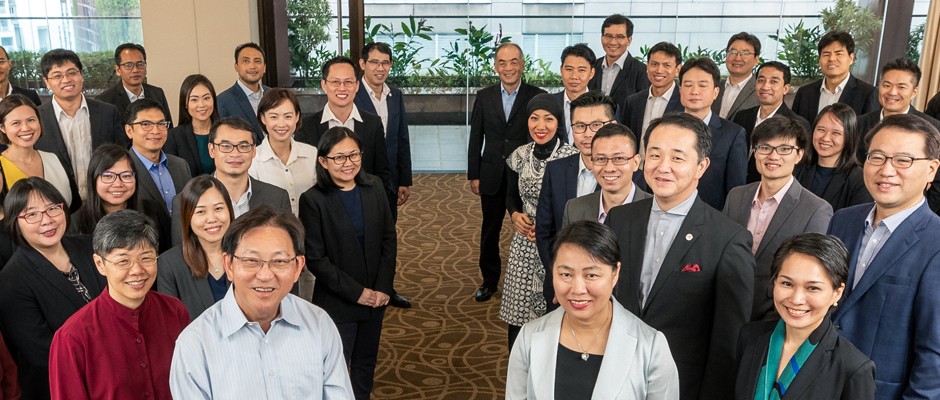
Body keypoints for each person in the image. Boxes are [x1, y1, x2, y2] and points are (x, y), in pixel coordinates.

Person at [606, 113, 754, 400]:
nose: (663, 167)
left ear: (701, 166)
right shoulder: (620, 219)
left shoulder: (728, 239)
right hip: (617, 374)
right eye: (655, 155)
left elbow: (728, 340)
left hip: (682, 384)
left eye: (677, 157)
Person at [170, 206, 354, 399]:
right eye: (251, 260)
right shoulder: (195, 344)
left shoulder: (319, 324)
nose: (265, 275)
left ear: (298, 267)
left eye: (279, 261)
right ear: (229, 265)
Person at [827, 114, 940, 399]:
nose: (886, 170)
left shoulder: (936, 242)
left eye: (903, 160)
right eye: (876, 157)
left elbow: (934, 355)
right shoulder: (842, 220)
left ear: (931, 170)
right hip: (822, 381)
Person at [507, 221, 679, 400]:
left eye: (591, 275)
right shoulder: (529, 336)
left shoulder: (651, 348)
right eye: (566, 274)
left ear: (615, 274)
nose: (578, 289)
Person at [48, 210, 189, 400]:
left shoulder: (175, 311)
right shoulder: (72, 337)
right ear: (100, 264)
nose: (137, 270)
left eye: (146, 258)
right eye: (123, 261)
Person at [299, 127, 395, 400]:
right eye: (339, 157)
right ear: (323, 161)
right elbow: (316, 259)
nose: (348, 163)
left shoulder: (374, 186)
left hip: (376, 298)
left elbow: (389, 239)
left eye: (354, 155)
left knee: (366, 364)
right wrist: (358, 293)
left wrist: (383, 288)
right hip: (338, 302)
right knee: (335, 368)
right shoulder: (313, 200)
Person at [0, 177, 106, 399]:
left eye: (52, 208)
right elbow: (42, 354)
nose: (46, 220)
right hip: (61, 387)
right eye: (32, 214)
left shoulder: (90, 246)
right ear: (15, 222)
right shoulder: (11, 281)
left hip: (115, 373)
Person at [735, 233, 875, 399]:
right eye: (787, 283)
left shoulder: (853, 368)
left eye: (812, 288)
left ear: (837, 293)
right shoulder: (750, 336)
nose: (796, 299)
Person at [722, 117, 832, 320]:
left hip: (775, 316)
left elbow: (808, 275)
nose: (773, 156)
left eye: (784, 149)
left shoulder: (816, 210)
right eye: (765, 147)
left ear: (799, 154)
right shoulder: (735, 196)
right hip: (726, 307)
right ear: (755, 152)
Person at [467, 43, 546, 302]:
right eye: (502, 62)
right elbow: (476, 136)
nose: (508, 67)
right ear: (495, 66)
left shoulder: (537, 96)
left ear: (522, 65)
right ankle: (489, 280)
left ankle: (532, 278)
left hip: (526, 174)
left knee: (529, 227)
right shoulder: (484, 96)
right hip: (491, 173)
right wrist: (474, 173)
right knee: (490, 230)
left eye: (513, 62)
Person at [502, 94, 580, 347]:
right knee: (518, 314)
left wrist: (551, 230)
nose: (540, 126)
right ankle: (518, 363)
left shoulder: (571, 157)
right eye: (534, 118)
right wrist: (515, 214)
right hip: (524, 245)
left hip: (559, 246)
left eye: (548, 119)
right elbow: (511, 195)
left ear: (558, 122)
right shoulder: (519, 155)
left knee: (554, 311)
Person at [535, 91, 614, 311]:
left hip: (608, 292)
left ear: (612, 125)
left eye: (596, 125)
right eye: (580, 126)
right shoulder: (556, 170)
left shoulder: (632, 177)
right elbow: (545, 231)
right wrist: (561, 277)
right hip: (561, 288)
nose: (587, 134)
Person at [354, 42, 414, 308]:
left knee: (387, 235)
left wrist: (404, 180)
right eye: (375, 62)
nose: (380, 68)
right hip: (358, 178)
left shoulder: (395, 95)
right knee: (359, 234)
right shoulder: (352, 93)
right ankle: (360, 287)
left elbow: (401, 138)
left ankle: (386, 287)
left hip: (388, 181)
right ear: (362, 64)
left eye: (385, 63)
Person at [170, 118, 290, 245]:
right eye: (226, 146)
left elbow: (287, 248)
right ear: (211, 150)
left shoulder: (278, 198)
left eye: (243, 146)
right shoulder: (184, 201)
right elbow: (181, 252)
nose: (235, 154)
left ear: (254, 151)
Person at [34, 49, 126, 204]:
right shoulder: (36, 119)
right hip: (59, 205)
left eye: (72, 73)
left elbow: (121, 157)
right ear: (47, 82)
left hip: (105, 201)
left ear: (81, 75)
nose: (66, 80)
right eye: (57, 75)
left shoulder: (108, 113)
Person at [297, 56, 392, 196]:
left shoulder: (373, 123)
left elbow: (382, 173)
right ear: (324, 85)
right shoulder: (306, 126)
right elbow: (303, 175)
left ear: (357, 85)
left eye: (348, 82)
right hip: (322, 203)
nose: (342, 88)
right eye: (335, 82)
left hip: (364, 201)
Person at [70, 144, 172, 252]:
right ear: (93, 179)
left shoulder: (154, 211)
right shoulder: (76, 223)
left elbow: (168, 255)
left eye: (126, 175)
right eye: (108, 176)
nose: (118, 184)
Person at [158, 176, 233, 320]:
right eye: (201, 212)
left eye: (218, 209)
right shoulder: (170, 264)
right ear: (188, 217)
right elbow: (171, 322)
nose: (212, 219)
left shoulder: (247, 255)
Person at [678, 57, 748, 210]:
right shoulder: (665, 129)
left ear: (716, 92)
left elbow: (736, 190)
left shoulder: (733, 134)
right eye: (688, 85)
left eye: (703, 85)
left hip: (711, 215)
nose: (694, 91)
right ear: (680, 89)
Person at [732, 61, 810, 183]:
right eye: (761, 80)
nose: (765, 86)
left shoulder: (797, 124)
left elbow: (798, 168)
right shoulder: (741, 116)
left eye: (773, 82)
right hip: (736, 186)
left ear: (785, 88)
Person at [562, 123, 651, 226]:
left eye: (618, 158)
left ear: (635, 162)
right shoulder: (574, 210)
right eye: (601, 159)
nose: (609, 168)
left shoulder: (654, 209)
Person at [855, 58, 940, 162]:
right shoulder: (857, 125)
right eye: (886, 85)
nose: (892, 92)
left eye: (901, 87)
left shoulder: (934, 129)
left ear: (914, 92)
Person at [247, 88, 316, 215]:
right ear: (263, 118)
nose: (281, 124)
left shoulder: (312, 154)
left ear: (297, 117)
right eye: (274, 117)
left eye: (288, 116)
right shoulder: (252, 160)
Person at [793, 103, 873, 211]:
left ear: (849, 137)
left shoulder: (860, 180)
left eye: (836, 133)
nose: (825, 138)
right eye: (821, 130)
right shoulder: (796, 168)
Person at [0, 94, 74, 209]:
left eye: (31, 120)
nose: (25, 128)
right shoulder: (1, 166)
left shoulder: (54, 159)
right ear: (3, 128)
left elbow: (74, 208)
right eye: (16, 123)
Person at [791, 31, 880, 124]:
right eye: (826, 54)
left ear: (851, 58)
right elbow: (794, 128)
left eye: (838, 54)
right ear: (819, 59)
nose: (831, 59)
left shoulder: (868, 94)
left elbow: (869, 130)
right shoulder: (804, 93)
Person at [125, 98, 192, 221]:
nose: (155, 131)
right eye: (146, 124)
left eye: (161, 124)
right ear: (129, 131)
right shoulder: (123, 171)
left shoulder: (181, 165)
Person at [623, 41, 683, 156]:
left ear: (677, 70)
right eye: (654, 64)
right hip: (637, 166)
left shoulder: (685, 102)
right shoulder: (633, 102)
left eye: (666, 65)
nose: (659, 70)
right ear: (647, 66)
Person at [95, 43, 173, 124]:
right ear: (118, 70)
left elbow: (168, 127)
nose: (135, 70)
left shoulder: (157, 93)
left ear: (145, 67)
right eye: (128, 65)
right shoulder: (105, 101)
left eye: (140, 64)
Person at [588, 14, 649, 109]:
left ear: (629, 40)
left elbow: (642, 107)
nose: (613, 42)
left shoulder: (641, 71)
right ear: (601, 37)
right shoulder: (592, 67)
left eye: (620, 37)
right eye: (608, 36)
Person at [165, 74, 220, 176]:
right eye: (194, 100)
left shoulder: (226, 132)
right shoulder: (174, 137)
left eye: (206, 98)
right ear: (185, 104)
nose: (202, 105)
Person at [216, 42, 269, 144]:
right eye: (246, 61)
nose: (252, 66)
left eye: (257, 61)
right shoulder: (222, 101)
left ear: (264, 67)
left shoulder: (274, 95)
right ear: (236, 66)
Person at [553, 44, 596, 144]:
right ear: (561, 70)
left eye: (581, 70)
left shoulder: (604, 106)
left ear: (591, 73)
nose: (574, 76)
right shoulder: (550, 103)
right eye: (569, 69)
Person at [712, 32, 760, 120]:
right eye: (733, 52)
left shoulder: (760, 90)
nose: (737, 58)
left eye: (745, 53)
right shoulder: (714, 86)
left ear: (756, 60)